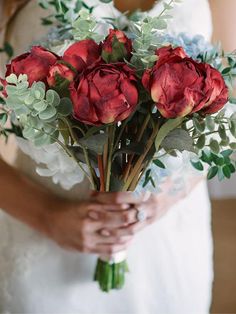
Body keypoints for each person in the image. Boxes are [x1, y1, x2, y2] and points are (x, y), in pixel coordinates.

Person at [0, 0, 227, 312]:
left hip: (165, 243)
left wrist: (162, 199)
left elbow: (228, 111)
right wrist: (46, 216)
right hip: (41, 234)